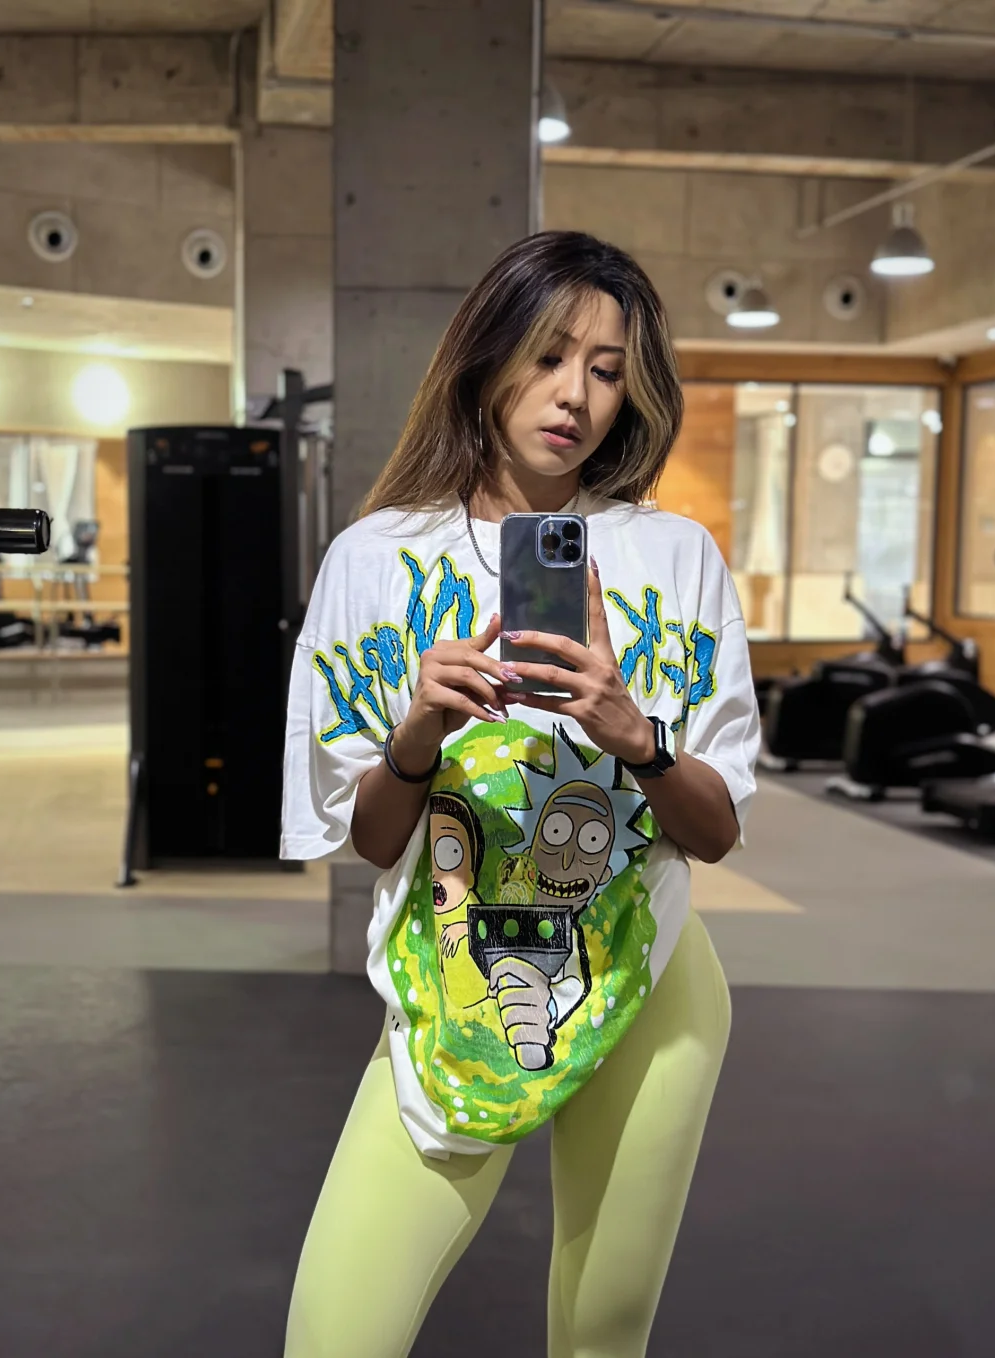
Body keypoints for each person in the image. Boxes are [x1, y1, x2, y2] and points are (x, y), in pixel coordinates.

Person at [279, 229, 760, 1358]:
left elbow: (716, 831)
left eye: (606, 370)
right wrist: (417, 733)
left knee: (603, 1331)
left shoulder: (678, 555)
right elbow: (372, 840)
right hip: (456, 982)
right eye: (548, 357)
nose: (574, 395)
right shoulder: (376, 558)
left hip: (651, 976)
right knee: (335, 1335)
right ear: (487, 358)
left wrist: (634, 733)